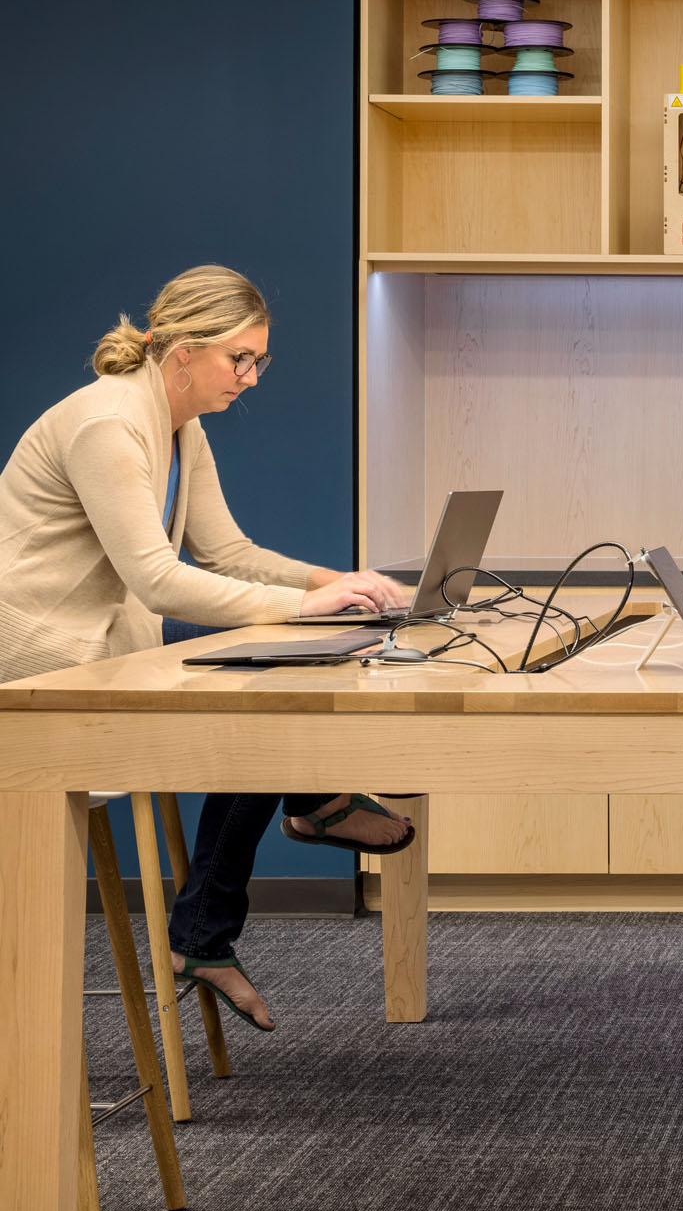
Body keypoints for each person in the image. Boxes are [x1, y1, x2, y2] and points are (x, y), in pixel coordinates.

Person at [0, 264, 416, 1029]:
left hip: (111, 638)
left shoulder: (179, 427)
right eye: (240, 359)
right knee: (279, 658)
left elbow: (228, 551)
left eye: (260, 360)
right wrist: (303, 608)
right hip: (47, 659)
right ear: (181, 350)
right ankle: (307, 806)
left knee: (294, 656)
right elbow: (158, 580)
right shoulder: (110, 424)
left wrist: (342, 582)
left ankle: (233, 898)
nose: (251, 378)